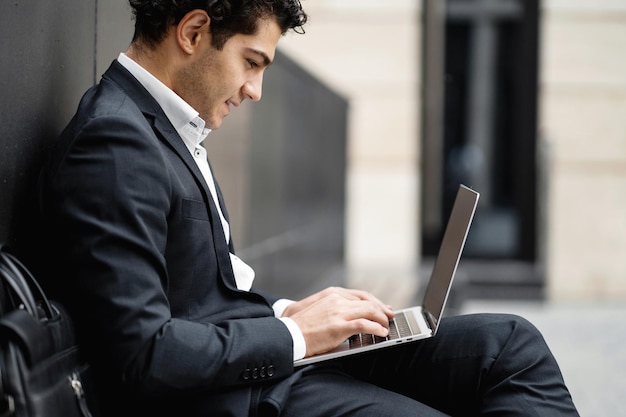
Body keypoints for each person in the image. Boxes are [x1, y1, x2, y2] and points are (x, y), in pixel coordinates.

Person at [36, 1, 580, 416]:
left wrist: (295, 313)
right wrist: (299, 336)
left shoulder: (159, 129)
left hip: (256, 361)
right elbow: (143, 355)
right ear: (194, 32)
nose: (255, 90)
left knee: (510, 345)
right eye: (252, 62)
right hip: (234, 396)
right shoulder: (114, 142)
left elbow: (207, 293)